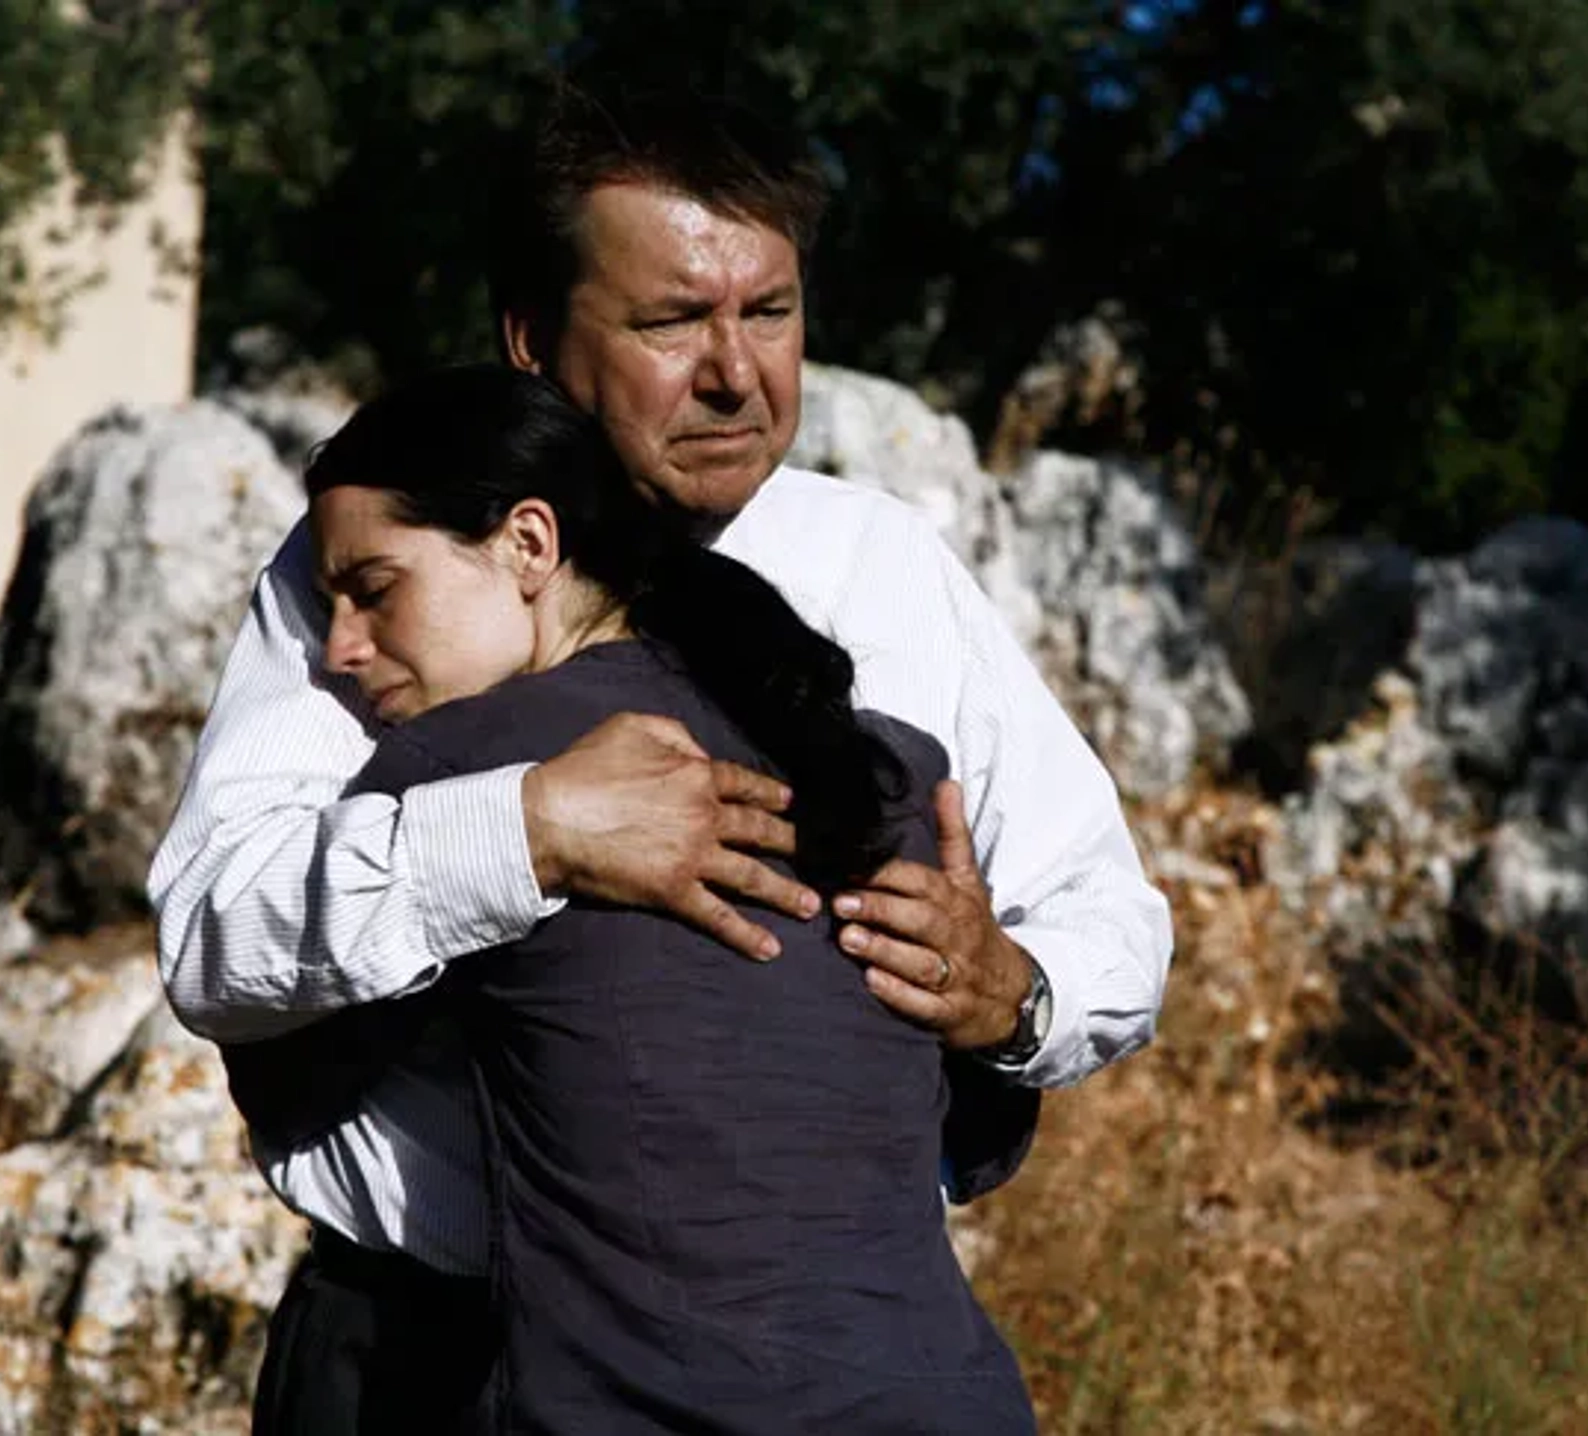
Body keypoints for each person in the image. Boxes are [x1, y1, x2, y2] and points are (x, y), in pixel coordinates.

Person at [151, 81, 1170, 1431]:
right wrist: (524, 833)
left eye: (771, 312)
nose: (737, 372)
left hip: (829, 1365)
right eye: (672, 321)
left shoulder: (878, 568)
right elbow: (218, 939)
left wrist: (1013, 995)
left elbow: (1113, 926)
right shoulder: (382, 586)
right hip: (421, 1363)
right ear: (532, 340)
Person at [253, 363, 1037, 1432]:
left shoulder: (461, 761)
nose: (341, 649)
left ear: (529, 544)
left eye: (374, 589)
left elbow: (287, 1058)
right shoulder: (889, 765)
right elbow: (980, 1133)